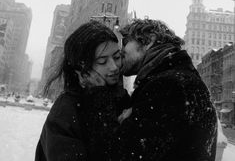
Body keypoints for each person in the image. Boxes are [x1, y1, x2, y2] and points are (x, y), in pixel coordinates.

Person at [111, 19, 218, 161]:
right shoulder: (179, 80)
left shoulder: (169, 86)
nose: (121, 50)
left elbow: (125, 154)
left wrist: (98, 93)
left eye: (125, 42)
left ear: (149, 40)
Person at [35, 20, 131, 161]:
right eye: (102, 61)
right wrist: (100, 98)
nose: (114, 67)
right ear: (83, 68)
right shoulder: (66, 110)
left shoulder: (122, 99)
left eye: (117, 57)